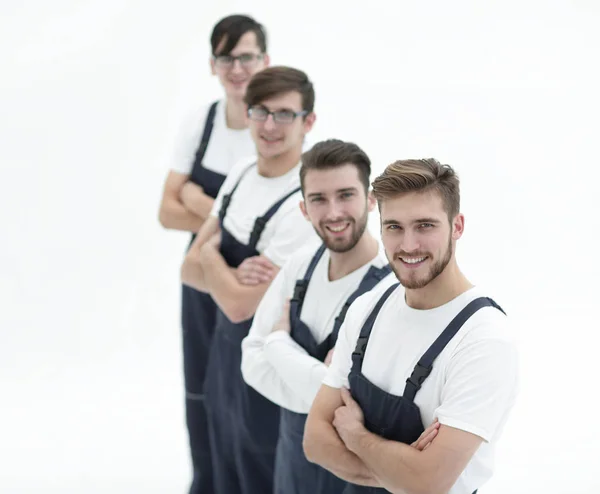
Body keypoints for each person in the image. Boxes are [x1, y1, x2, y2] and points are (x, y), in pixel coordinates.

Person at [304, 159, 519, 494]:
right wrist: (403, 471)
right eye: (394, 227)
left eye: (425, 226)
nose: (408, 245)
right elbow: (315, 441)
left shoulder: (484, 340)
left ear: (457, 226)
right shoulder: (366, 309)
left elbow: (428, 483)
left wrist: (357, 437)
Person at [180, 66, 320, 494]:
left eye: (284, 114)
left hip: (266, 368)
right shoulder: (241, 172)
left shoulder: (306, 200)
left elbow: (241, 306)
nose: (270, 125)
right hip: (223, 360)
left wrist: (210, 256)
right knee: (221, 462)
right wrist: (220, 270)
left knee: (260, 473)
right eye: (260, 112)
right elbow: (187, 270)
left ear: (308, 122)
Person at [157, 14, 269, 494]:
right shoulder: (199, 122)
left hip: (250, 278)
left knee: (247, 390)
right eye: (227, 58)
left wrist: (198, 201)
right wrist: (225, 215)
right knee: (201, 387)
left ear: (265, 60)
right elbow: (165, 210)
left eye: (246, 56)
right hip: (200, 276)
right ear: (212, 64)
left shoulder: (271, 127)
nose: (237, 67)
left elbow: (275, 219)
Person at [241, 139, 392, 494]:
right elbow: (251, 361)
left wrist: (278, 346)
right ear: (304, 209)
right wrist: (321, 382)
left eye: (346, 195)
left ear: (371, 200)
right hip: (293, 463)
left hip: (356, 475)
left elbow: (360, 405)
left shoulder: (391, 290)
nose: (334, 212)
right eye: (319, 199)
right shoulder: (300, 265)